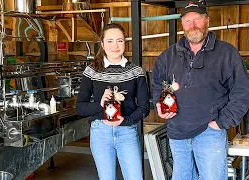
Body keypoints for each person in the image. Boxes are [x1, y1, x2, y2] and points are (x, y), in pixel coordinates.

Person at [152, 1, 249, 180]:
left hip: (209, 132)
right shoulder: (168, 56)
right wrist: (159, 103)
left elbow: (243, 92)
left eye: (197, 19)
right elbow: (157, 81)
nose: (192, 25)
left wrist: (221, 122)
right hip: (177, 132)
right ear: (182, 25)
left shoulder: (227, 54)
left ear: (207, 21)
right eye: (187, 21)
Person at [76, 23, 150, 180]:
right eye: (110, 41)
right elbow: (80, 108)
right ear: (102, 44)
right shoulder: (91, 71)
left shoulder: (135, 71)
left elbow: (144, 107)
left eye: (120, 40)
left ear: (125, 42)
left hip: (127, 132)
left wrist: (126, 121)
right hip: (100, 132)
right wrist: (100, 104)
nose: (115, 46)